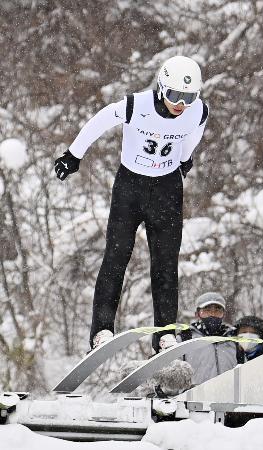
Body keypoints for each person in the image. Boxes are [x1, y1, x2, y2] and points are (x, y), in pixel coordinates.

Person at [54, 55, 209, 353]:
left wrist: (185, 160)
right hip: (130, 189)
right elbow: (99, 121)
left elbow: (195, 132)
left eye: (188, 97)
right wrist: (73, 155)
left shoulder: (197, 112)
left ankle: (164, 334)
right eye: (175, 95)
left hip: (166, 189)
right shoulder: (135, 105)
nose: (181, 104)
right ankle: (102, 330)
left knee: (165, 264)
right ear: (162, 88)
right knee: (116, 257)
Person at [177, 292, 245, 385]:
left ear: (223, 314)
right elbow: (175, 377)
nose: (212, 314)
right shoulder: (185, 338)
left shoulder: (234, 339)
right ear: (197, 314)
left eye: (217, 310)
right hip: (196, 397)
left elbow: (244, 371)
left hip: (229, 397)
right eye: (207, 310)